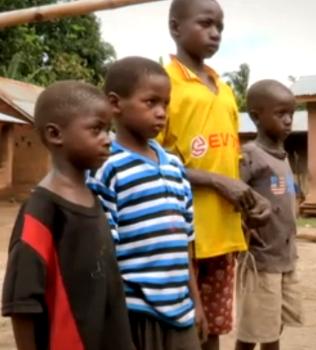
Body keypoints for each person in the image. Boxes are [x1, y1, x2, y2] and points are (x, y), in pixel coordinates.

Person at [158, 1, 270, 349]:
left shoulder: (223, 88)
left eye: (220, 26)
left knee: (215, 326)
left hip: (222, 231)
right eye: (205, 24)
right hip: (181, 230)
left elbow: (230, 160)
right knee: (183, 324)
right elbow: (150, 158)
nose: (215, 33)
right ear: (176, 28)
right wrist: (217, 182)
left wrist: (249, 204)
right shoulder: (163, 85)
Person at [1, 81, 134, 350]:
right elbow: (22, 303)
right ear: (55, 135)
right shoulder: (42, 211)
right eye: (97, 129)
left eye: (109, 129)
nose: (108, 139)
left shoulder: (92, 197)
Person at [87, 56, 206, 350]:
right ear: (115, 104)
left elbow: (185, 244)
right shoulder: (107, 167)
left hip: (181, 311)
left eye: (165, 104)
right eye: (151, 102)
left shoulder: (175, 167)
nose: (161, 113)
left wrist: (197, 303)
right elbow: (104, 253)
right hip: (135, 311)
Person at [235, 80, 304, 350]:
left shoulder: (283, 156)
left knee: (275, 323)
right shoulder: (250, 155)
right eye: (280, 114)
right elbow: (234, 199)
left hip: (286, 257)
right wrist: (244, 229)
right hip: (261, 260)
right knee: (256, 330)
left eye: (291, 113)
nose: (288, 120)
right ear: (256, 117)